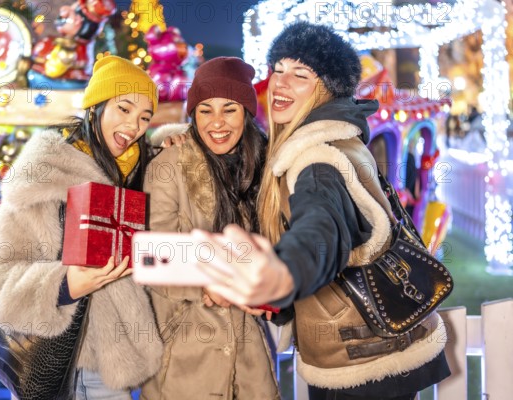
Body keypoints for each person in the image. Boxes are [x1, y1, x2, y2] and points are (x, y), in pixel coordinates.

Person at [193, 23, 450, 400]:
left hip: (363, 365)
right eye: (278, 70)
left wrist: (282, 275)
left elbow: (320, 228)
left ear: (326, 87)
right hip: (378, 349)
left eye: (300, 75)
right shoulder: (340, 137)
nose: (281, 83)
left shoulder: (317, 159)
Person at [0, 54, 163, 399]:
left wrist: (174, 140)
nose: (134, 126)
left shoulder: (141, 173)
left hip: (110, 366)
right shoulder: (46, 175)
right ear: (96, 106)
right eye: (124, 108)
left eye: (144, 117)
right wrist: (62, 285)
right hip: (53, 363)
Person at [140, 57, 279, 400]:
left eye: (229, 109)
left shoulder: (266, 168)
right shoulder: (169, 166)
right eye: (205, 111)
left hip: (250, 355)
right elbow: (151, 254)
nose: (217, 123)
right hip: (186, 352)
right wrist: (205, 283)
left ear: (246, 113)